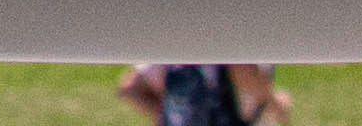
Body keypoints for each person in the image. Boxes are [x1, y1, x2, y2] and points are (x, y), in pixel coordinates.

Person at [122, 69, 293, 126]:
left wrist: (173, 115)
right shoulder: (234, 30)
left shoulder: (176, 42)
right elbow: (241, 69)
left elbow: (130, 88)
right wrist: (274, 102)